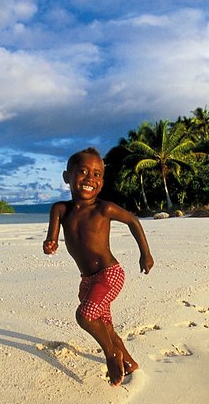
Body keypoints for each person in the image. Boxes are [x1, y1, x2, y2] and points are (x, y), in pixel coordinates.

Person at [43, 147, 154, 386]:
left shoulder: (104, 208)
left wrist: (145, 254)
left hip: (109, 274)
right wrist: (50, 244)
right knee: (105, 325)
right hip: (88, 280)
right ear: (67, 177)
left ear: (102, 183)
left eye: (96, 174)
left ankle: (111, 353)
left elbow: (133, 221)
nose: (89, 178)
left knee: (85, 315)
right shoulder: (60, 209)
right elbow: (51, 237)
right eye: (82, 172)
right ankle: (130, 362)